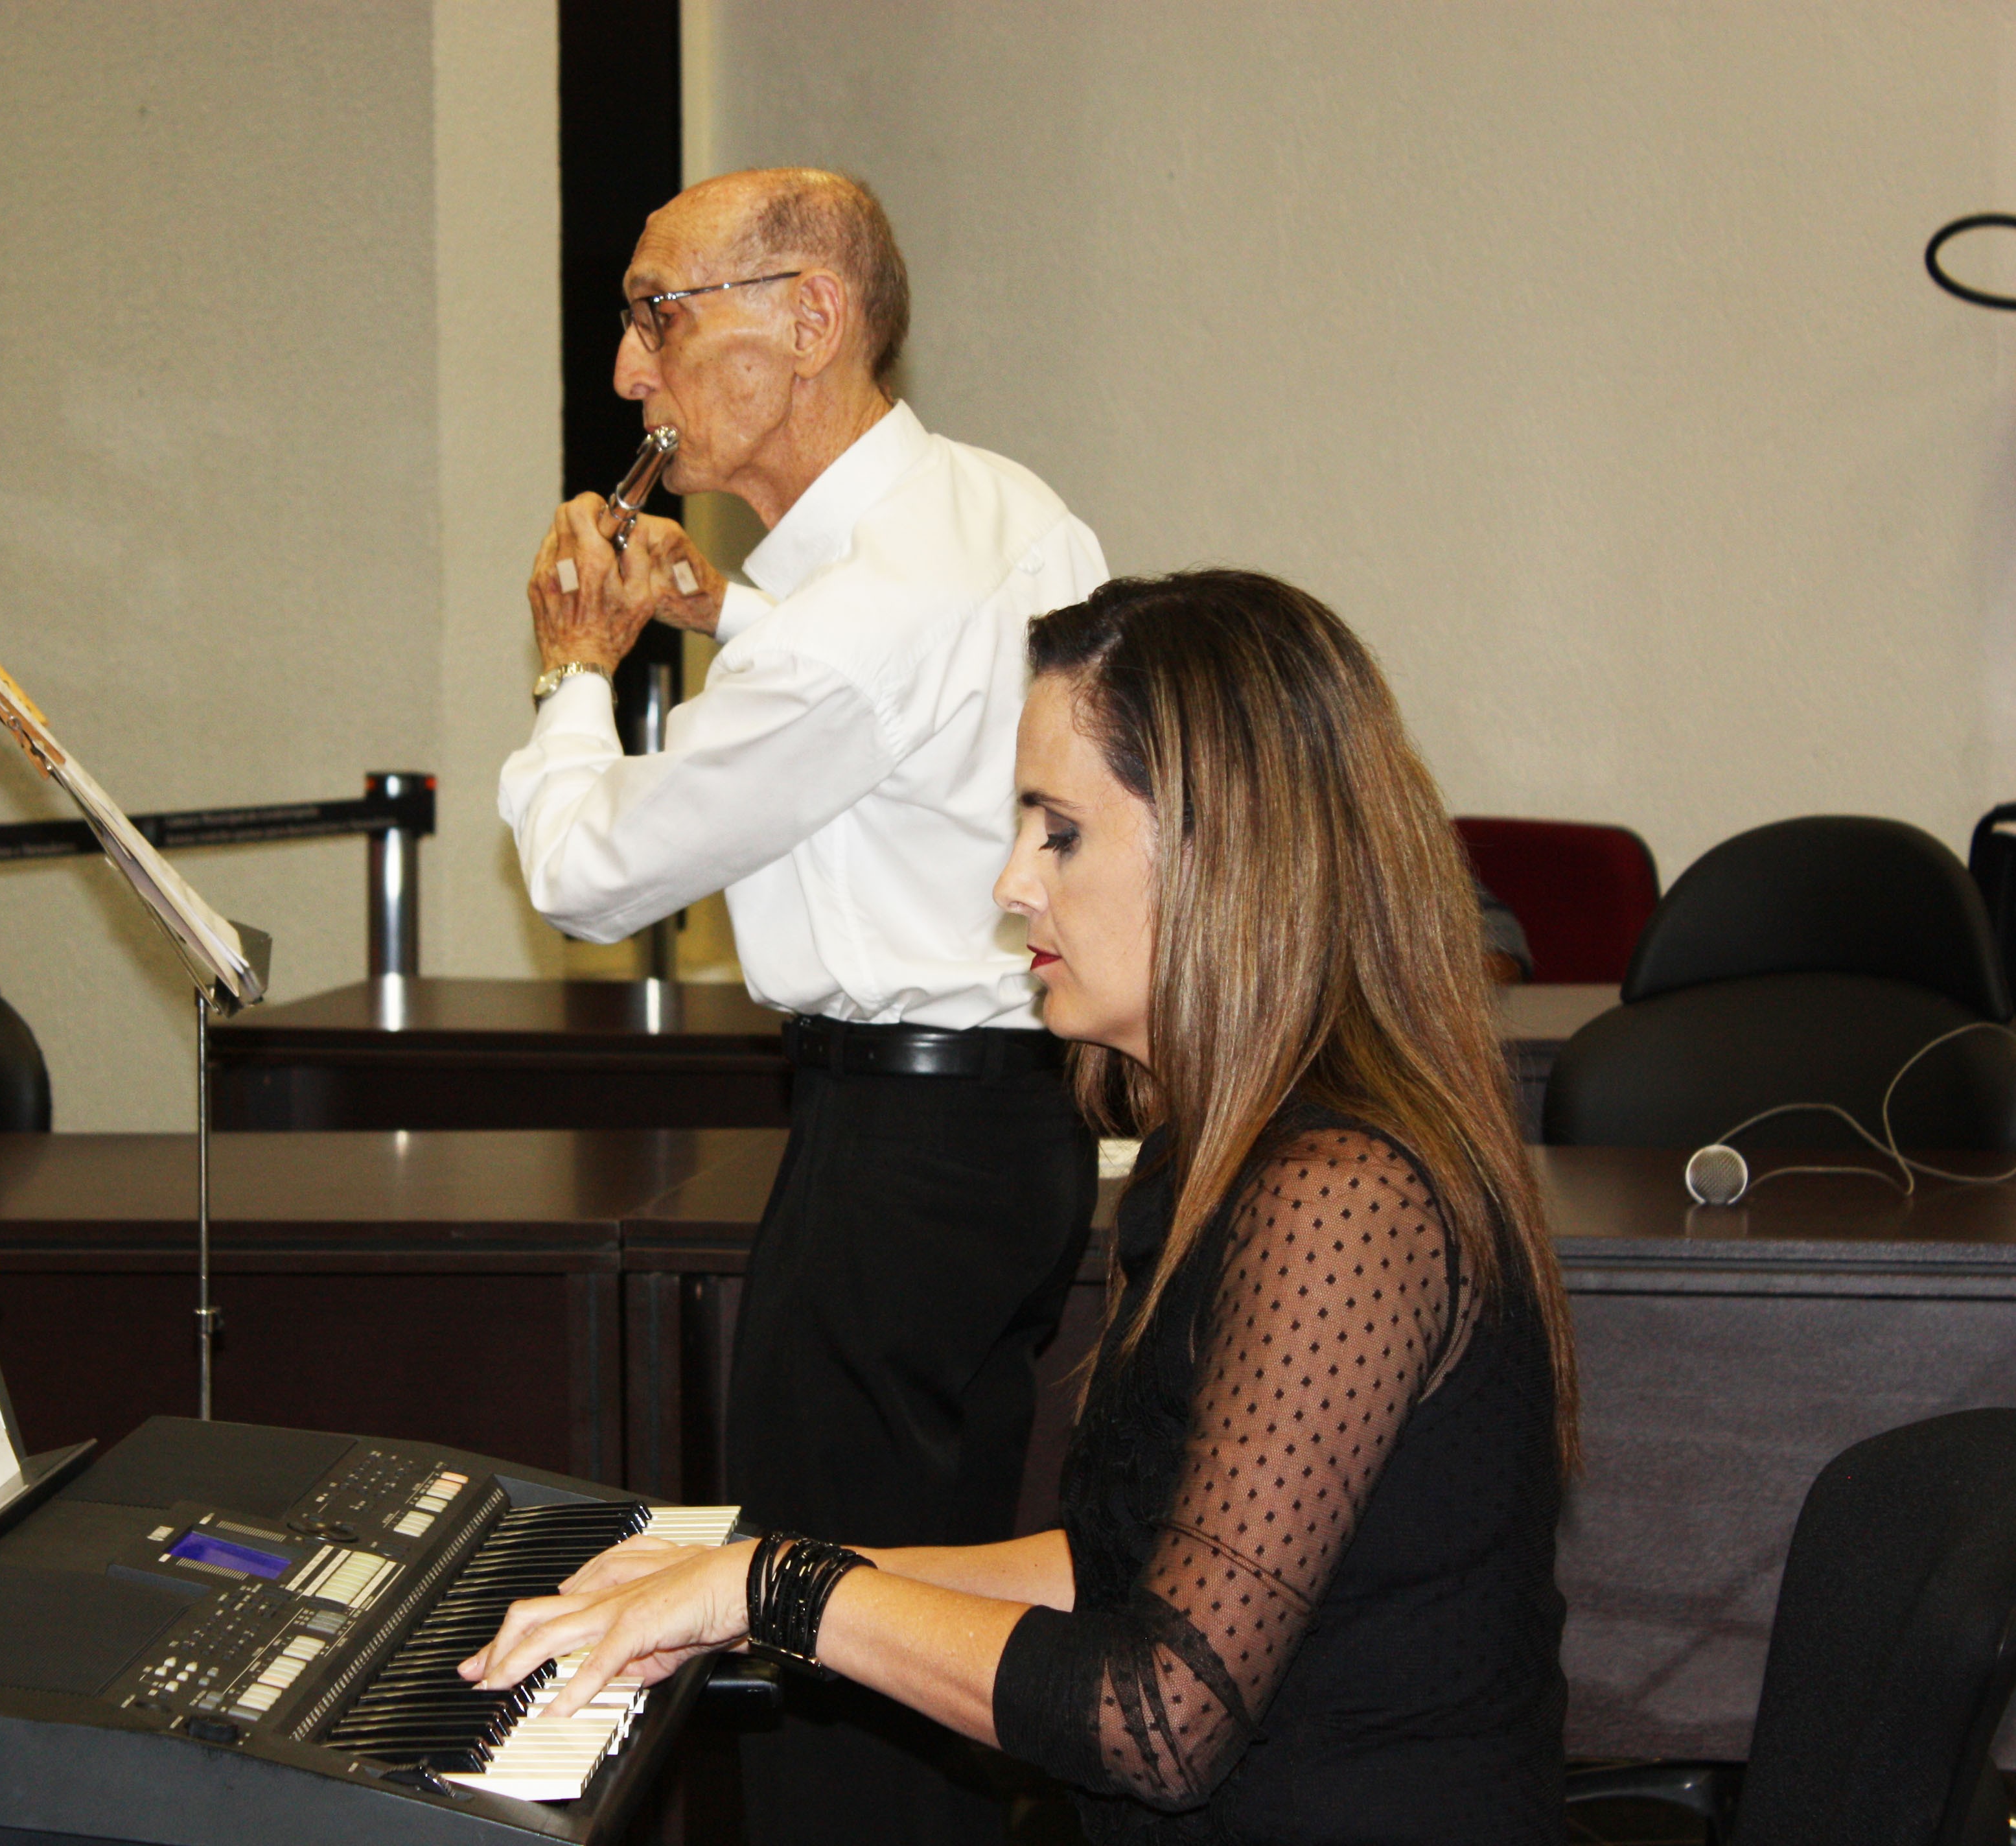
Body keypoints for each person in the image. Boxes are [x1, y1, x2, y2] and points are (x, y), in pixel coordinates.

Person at [468, 570, 1577, 1844]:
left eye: (1059, 831)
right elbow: (1114, 1569)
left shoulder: (1343, 1197)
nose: (1010, 881)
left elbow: (1158, 1717)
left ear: (1223, 849)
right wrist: (734, 1579)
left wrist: (779, 1590)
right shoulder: (1210, 1152)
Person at [497, 167, 1109, 1841]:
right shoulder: (1005, 511)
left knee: (829, 1640)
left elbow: (588, 872)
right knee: (935, 1614)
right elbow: (906, 727)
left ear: (813, 320)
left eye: (658, 314)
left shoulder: (845, 626)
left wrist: (574, 669)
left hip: (891, 1161)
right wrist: (725, 612)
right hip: (1015, 1137)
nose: (628, 370)